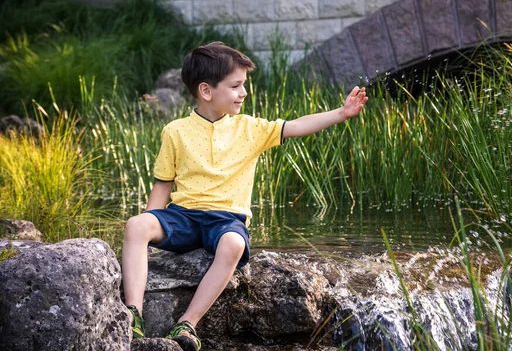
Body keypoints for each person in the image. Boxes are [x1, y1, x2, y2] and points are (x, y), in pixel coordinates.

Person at [121, 41, 368, 351]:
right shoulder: (175, 131)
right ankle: (133, 314)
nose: (244, 92)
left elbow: (297, 126)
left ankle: (188, 323)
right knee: (135, 225)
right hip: (183, 216)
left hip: (226, 220)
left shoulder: (250, 129)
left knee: (234, 244)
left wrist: (341, 114)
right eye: (236, 86)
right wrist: (148, 227)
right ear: (207, 91)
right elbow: (162, 186)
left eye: (244, 85)